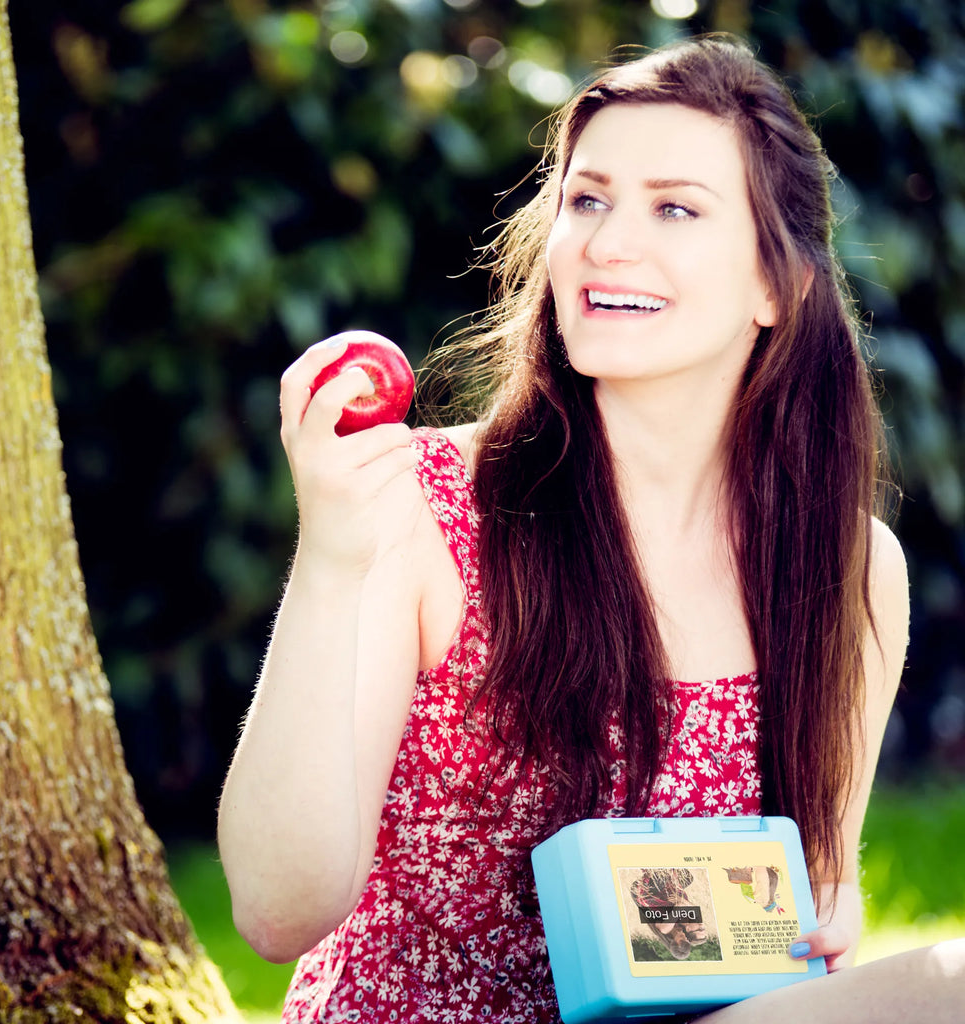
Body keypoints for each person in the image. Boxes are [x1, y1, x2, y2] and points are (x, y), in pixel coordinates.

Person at [217, 34, 964, 1023]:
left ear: (774, 286)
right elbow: (276, 912)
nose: (608, 241)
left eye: (673, 207)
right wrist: (334, 555)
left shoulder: (850, 570)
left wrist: (825, 908)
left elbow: (815, 900)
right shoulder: (424, 508)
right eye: (586, 198)